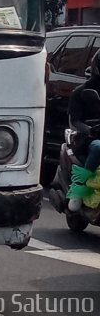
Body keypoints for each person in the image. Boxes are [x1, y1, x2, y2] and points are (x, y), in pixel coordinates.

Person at [67, 50, 100, 211]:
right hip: (87, 138)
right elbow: (74, 121)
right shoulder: (81, 92)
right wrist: (90, 130)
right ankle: (79, 189)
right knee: (98, 147)